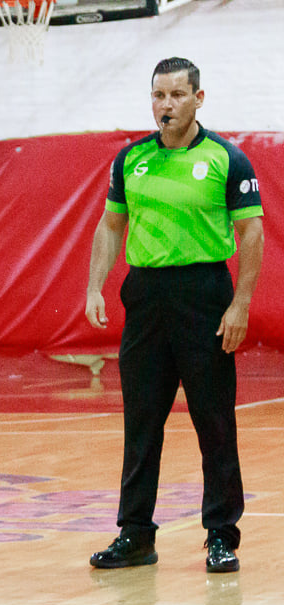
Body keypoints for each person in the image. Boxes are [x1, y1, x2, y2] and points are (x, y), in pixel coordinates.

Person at [85, 57, 264, 573]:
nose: (166, 105)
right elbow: (111, 225)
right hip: (146, 298)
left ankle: (221, 535)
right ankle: (136, 534)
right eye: (159, 95)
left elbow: (251, 233)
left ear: (198, 99)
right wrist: (95, 286)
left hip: (204, 295)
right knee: (141, 422)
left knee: (214, 421)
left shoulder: (228, 159)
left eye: (177, 95)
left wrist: (240, 304)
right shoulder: (131, 160)